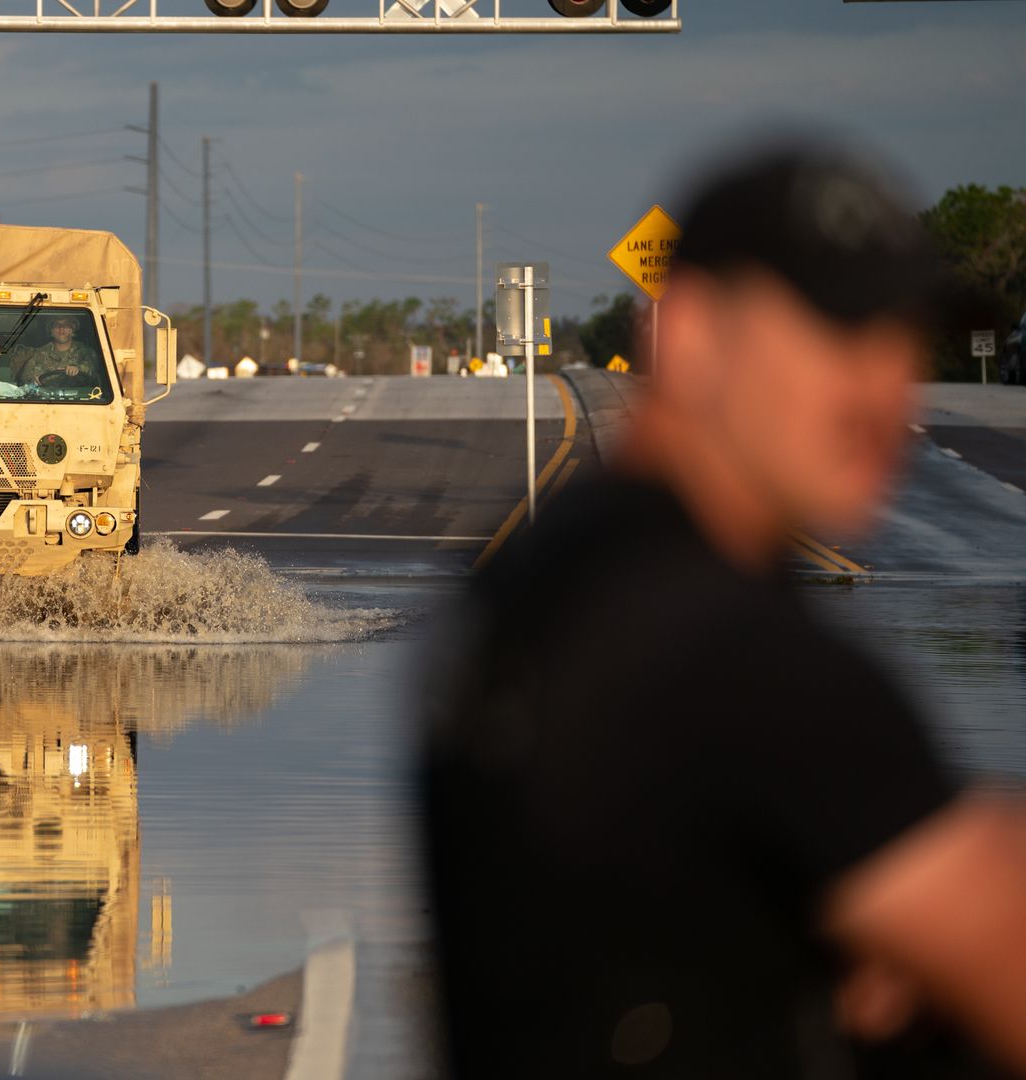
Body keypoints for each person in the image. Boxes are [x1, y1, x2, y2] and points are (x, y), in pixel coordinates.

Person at [422, 143, 1026, 1078]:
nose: (883, 391)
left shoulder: (554, 572)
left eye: (901, 342)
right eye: (838, 334)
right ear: (694, 335)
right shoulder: (725, 651)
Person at [13, 315, 101, 388]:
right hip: (47, 401)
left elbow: (92, 369)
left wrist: (77, 369)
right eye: (56, 325)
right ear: (51, 330)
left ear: (73, 329)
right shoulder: (39, 353)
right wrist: (34, 380)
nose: (61, 328)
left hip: (81, 401)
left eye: (66, 325)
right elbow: (25, 379)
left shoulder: (85, 351)